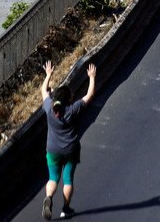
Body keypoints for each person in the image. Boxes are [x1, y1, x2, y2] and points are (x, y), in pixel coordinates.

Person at [41, 60, 97, 220]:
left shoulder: (49, 108)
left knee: (53, 178)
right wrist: (92, 77)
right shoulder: (73, 110)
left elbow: (43, 91)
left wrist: (48, 75)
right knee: (67, 179)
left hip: (52, 150)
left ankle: (49, 197)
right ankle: (65, 208)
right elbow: (90, 95)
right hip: (70, 150)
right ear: (68, 99)